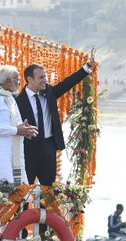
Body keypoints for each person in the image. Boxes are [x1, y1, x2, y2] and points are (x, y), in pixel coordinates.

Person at [16, 46, 97, 185]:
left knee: (49, 192)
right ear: (29, 79)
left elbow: (67, 83)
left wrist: (88, 66)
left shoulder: (49, 93)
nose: (45, 80)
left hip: (49, 147)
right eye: (41, 77)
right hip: (28, 150)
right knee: (23, 190)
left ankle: (45, 208)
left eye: (45, 77)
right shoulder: (17, 101)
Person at [0, 65, 38, 184]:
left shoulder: (9, 98)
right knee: (2, 196)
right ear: (9, 81)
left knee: (17, 195)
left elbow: (13, 125)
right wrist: (16, 130)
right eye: (17, 80)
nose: (20, 83)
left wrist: (25, 130)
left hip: (12, 156)